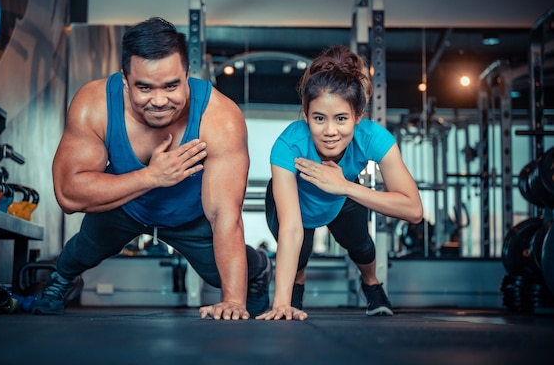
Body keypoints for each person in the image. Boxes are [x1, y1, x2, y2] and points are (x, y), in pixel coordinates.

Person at [32, 17, 272, 319]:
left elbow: (226, 215)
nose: (159, 100)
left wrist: (234, 300)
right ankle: (62, 280)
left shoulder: (220, 117)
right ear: (125, 80)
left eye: (171, 86)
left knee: (220, 274)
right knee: (83, 251)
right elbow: (69, 196)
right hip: (124, 206)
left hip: (189, 214)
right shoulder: (95, 104)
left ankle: (260, 268)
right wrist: (152, 176)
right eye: (144, 87)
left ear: (187, 75)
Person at [257, 45, 423, 321]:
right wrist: (281, 304)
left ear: (358, 117)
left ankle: (371, 284)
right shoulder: (288, 145)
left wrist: (344, 186)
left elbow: (414, 210)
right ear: (306, 114)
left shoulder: (373, 137)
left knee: (362, 247)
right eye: (319, 118)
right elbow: (291, 230)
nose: (330, 131)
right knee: (299, 253)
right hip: (295, 205)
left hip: (342, 196)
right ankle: (295, 289)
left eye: (342, 119)